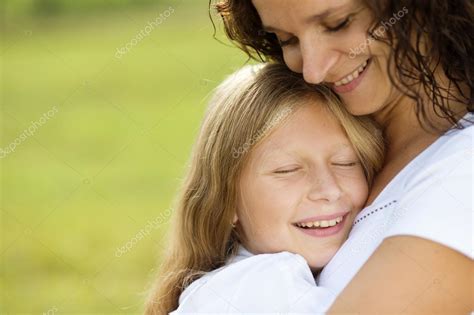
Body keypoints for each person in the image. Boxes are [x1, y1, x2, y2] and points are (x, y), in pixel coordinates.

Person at [214, 0, 473, 313]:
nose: (313, 70)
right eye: (288, 39)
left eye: (338, 24)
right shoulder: (316, 130)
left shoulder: (463, 168)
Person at [145, 63, 384, 314]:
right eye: (287, 170)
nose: (329, 189)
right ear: (226, 201)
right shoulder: (264, 285)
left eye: (345, 162)